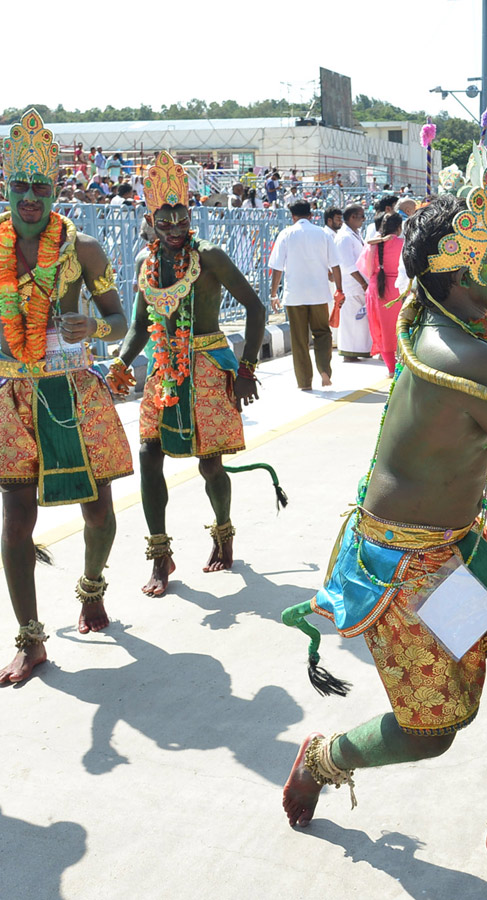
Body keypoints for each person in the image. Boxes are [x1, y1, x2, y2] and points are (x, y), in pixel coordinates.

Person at [279, 149, 487, 855]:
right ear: (462, 271)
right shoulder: (466, 356)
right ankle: (322, 759)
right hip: (410, 572)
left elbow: (433, 235)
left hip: (453, 549)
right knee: (432, 734)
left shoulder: (431, 309)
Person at [0, 110, 133, 684]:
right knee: (14, 521)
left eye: (40, 186)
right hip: (13, 393)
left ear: (56, 188)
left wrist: (94, 331)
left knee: (99, 511)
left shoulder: (84, 248)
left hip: (75, 391)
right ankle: (31, 640)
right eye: (19, 186)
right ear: (7, 186)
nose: (30, 197)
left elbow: (120, 318)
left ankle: (92, 587)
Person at [106, 151, 269, 594]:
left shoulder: (210, 257)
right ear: (150, 218)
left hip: (211, 368)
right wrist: (120, 363)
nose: (176, 228)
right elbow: (140, 326)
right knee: (148, 454)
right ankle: (160, 556)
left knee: (210, 464)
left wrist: (248, 367)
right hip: (164, 367)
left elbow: (256, 308)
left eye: (181, 219)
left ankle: (223, 533)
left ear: (190, 214)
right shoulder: (145, 263)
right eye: (166, 220)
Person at [269, 200, 343, 391]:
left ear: (293, 216)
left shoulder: (285, 234)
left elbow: (276, 268)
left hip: (295, 295)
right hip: (319, 294)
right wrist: (339, 289)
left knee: (299, 339)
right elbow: (335, 265)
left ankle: (304, 382)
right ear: (311, 215)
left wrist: (273, 294)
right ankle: (324, 370)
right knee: (323, 333)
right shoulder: (323, 234)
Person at [357, 211, 403, 375]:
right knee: (401, 327)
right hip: (399, 288)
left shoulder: (372, 245)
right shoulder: (403, 244)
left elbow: (366, 270)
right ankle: (403, 366)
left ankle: (391, 368)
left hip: (377, 289)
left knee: (381, 329)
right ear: (399, 228)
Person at [332, 204, 372, 360]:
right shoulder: (344, 237)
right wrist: (363, 283)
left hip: (359, 284)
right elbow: (348, 264)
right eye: (361, 216)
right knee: (351, 320)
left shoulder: (355, 234)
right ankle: (349, 352)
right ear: (352, 217)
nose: (363, 220)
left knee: (360, 321)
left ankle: (360, 350)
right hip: (352, 285)